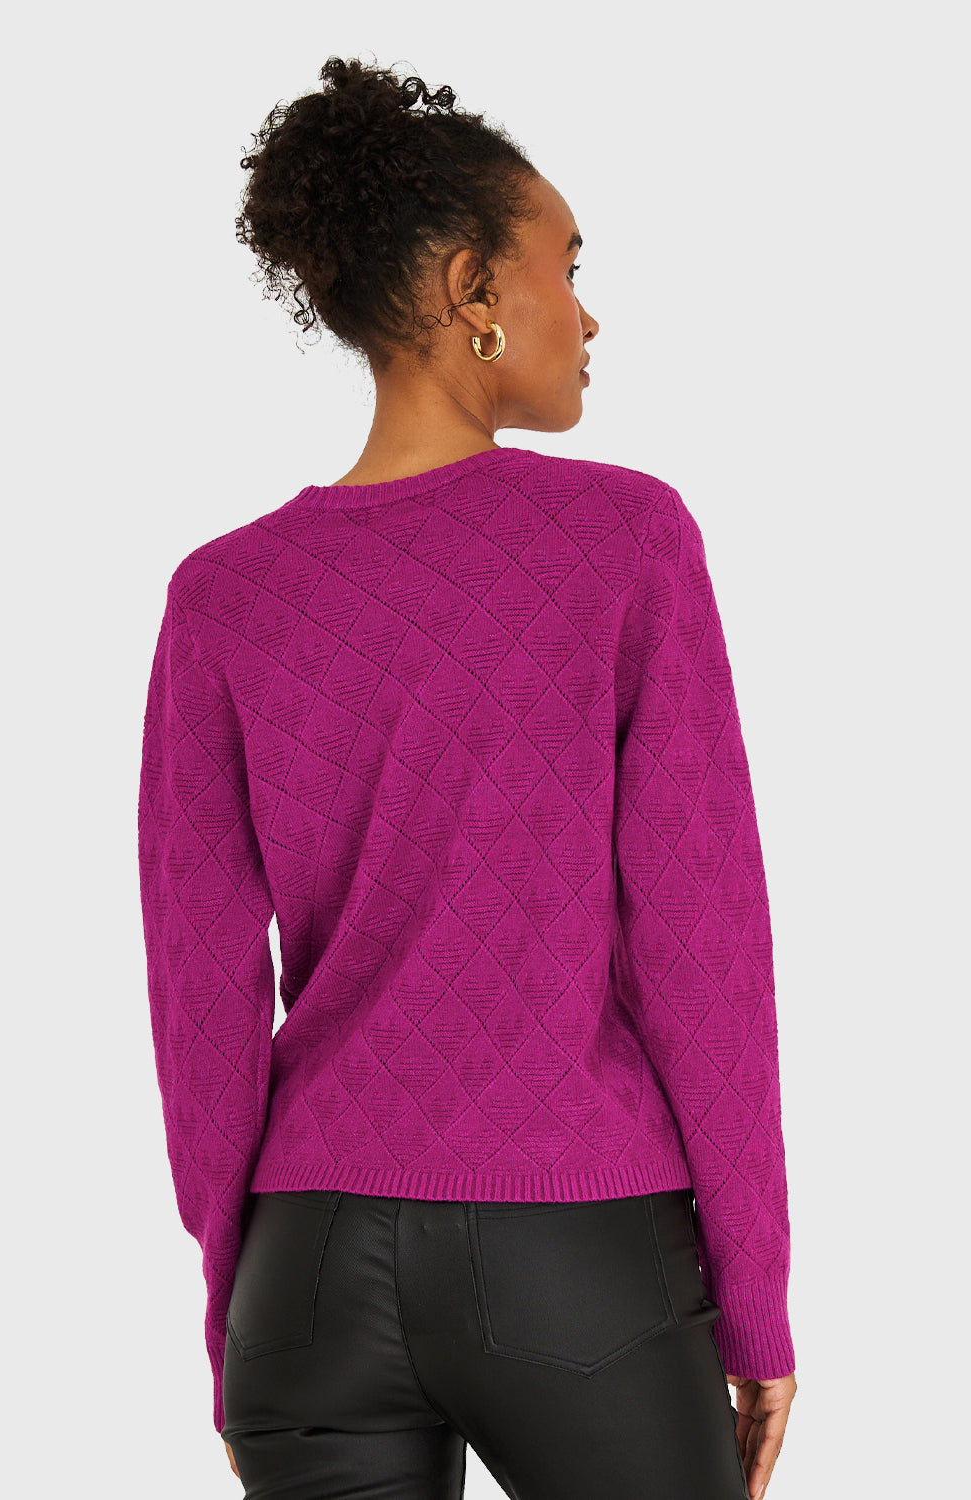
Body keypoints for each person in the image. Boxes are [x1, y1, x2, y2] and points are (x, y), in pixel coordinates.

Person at [137, 53, 798, 1500]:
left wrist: (236, 1308)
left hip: (305, 1273)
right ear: (469, 287)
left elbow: (200, 1000)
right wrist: (755, 1300)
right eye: (569, 264)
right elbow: (702, 947)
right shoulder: (627, 541)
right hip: (578, 1245)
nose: (589, 312)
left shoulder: (222, 597)